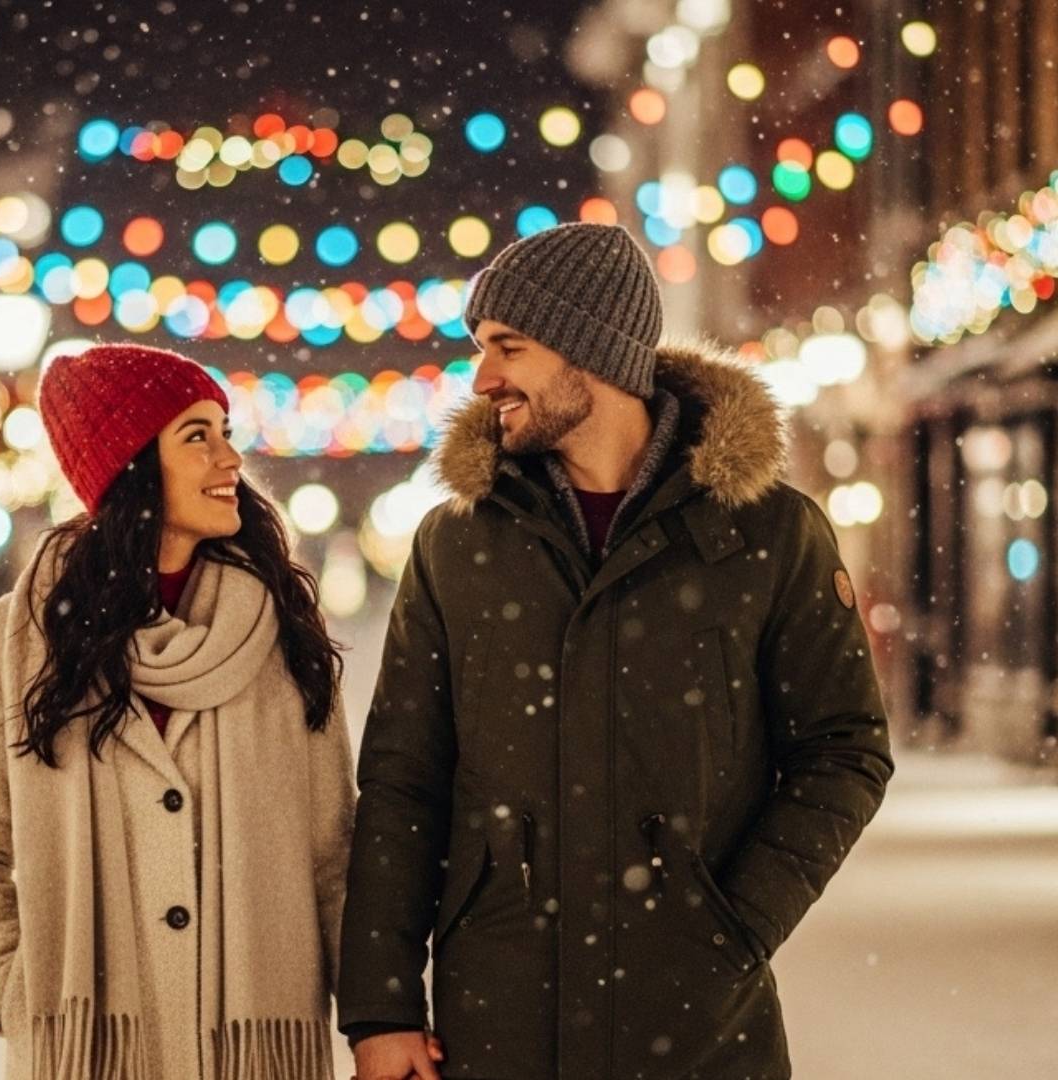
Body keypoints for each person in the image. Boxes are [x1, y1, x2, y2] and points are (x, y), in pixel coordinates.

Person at [339, 223, 893, 1080]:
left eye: (507, 349)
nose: (483, 380)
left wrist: (734, 921)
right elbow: (404, 781)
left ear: (588, 352)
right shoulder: (458, 545)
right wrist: (380, 1009)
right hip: (499, 1019)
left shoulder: (768, 534)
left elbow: (844, 749)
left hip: (698, 1025)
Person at [0, 343, 356, 1079]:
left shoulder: (285, 636)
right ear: (130, 467)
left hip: (256, 1060)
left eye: (225, 432)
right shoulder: (10, 644)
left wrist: (381, 1022)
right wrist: (17, 993)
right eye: (198, 436)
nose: (229, 460)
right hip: (88, 1055)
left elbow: (334, 858)